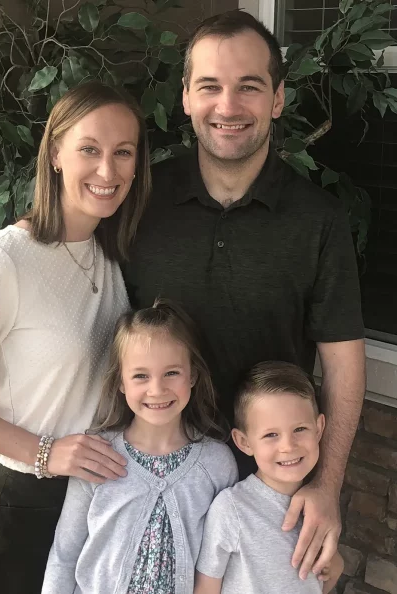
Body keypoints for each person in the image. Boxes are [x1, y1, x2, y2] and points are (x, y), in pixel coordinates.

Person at [122, 9, 366, 579]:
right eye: (209, 86)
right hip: (156, 482)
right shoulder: (139, 206)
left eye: (248, 87)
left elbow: (343, 365)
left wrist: (326, 485)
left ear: (277, 99)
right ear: (185, 97)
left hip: (271, 497)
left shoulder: (319, 221)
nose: (227, 107)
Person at [0, 81, 151, 594]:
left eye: (123, 152)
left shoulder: (109, 251)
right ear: (57, 154)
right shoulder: (4, 261)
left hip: (98, 494)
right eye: (89, 149)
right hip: (27, 497)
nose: (107, 171)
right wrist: (45, 452)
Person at [41, 298, 238, 594]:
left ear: (193, 375)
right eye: (140, 376)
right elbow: (64, 555)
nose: (156, 389)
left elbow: (226, 560)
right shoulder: (95, 454)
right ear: (121, 381)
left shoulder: (216, 463)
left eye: (171, 372)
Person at [194, 361, 344, 594]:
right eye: (271, 434)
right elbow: (206, 588)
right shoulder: (232, 510)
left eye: (299, 429)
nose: (288, 446)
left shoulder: (319, 512)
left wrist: (333, 567)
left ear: (319, 428)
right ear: (244, 442)